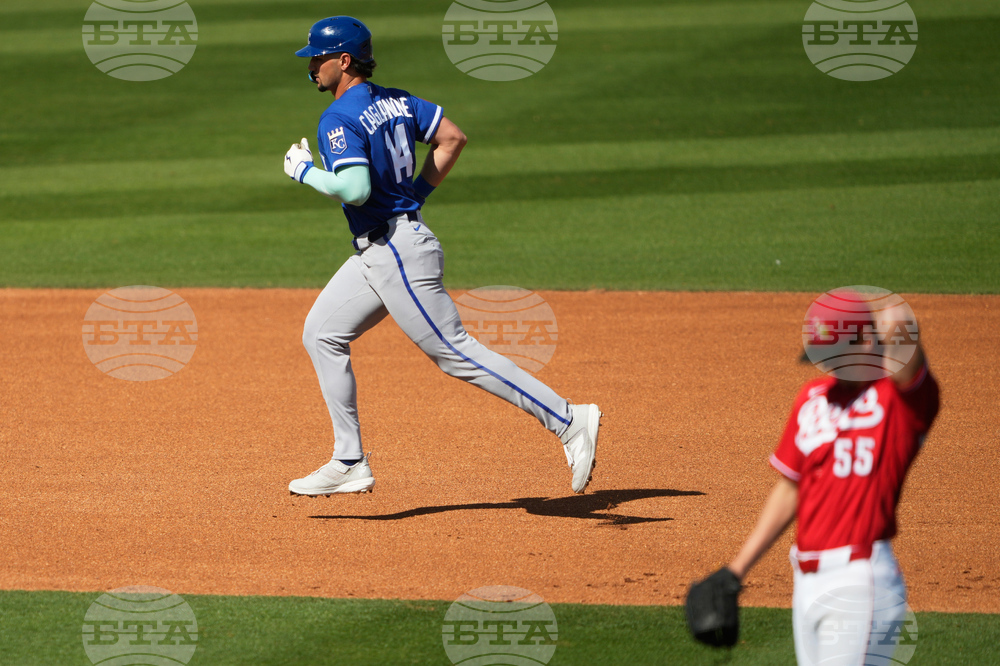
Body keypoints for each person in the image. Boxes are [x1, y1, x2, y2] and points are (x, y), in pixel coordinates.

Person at [281, 17, 601, 498]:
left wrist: (305, 171)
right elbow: (452, 137)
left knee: (454, 353)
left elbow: (354, 187)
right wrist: (414, 196)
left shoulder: (339, 117)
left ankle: (569, 418)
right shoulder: (398, 99)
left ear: (343, 60)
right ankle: (349, 460)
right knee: (322, 333)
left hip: (397, 253)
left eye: (318, 58)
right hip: (383, 248)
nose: (312, 66)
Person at [693, 291, 939, 664]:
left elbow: (898, 322)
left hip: (860, 580)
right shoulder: (812, 398)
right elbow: (791, 487)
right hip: (806, 582)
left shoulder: (902, 400)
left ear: (867, 341)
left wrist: (870, 320)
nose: (827, 367)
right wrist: (736, 569)